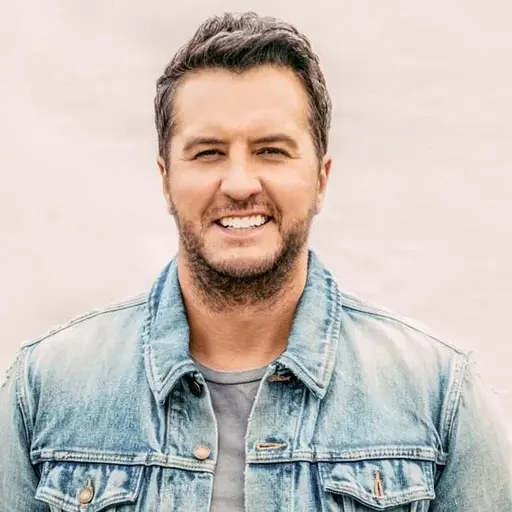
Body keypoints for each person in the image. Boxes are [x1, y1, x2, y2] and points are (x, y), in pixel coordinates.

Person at [1, 11, 510, 512]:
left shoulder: (438, 395)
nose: (240, 184)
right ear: (166, 180)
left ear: (321, 179)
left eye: (271, 150)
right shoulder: (44, 389)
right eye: (208, 152)